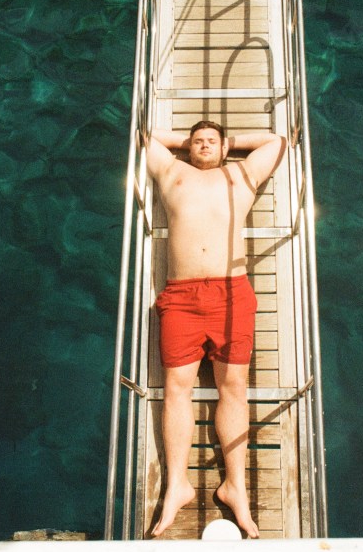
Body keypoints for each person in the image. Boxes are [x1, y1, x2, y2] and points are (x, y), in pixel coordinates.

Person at [144, 120, 286, 538]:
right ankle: (178, 485)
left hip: (231, 294)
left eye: (212, 141)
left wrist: (230, 142)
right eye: (197, 141)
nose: (204, 146)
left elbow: (276, 141)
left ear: (225, 147)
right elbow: (145, 139)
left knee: (234, 387)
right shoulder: (173, 172)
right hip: (182, 297)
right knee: (176, 388)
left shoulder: (242, 174)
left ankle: (234, 486)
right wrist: (184, 143)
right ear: (188, 148)